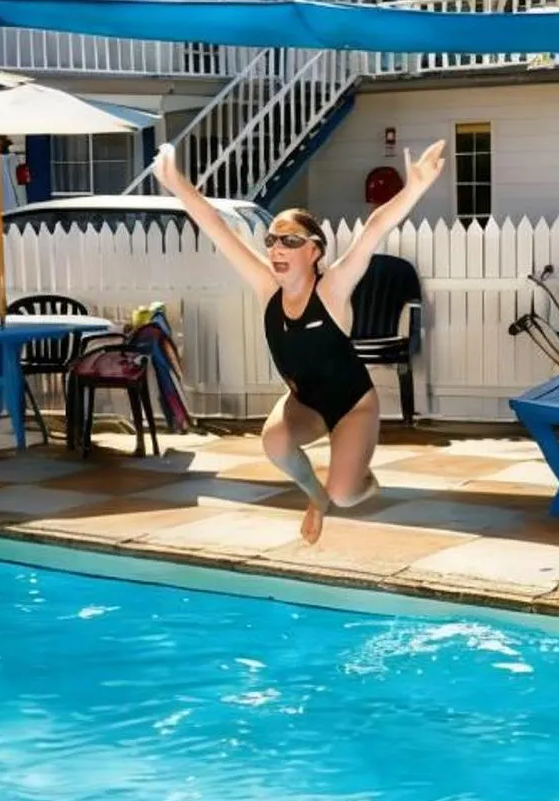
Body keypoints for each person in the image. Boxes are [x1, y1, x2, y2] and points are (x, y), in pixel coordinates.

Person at [151, 139, 446, 544]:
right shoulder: (266, 288)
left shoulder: (332, 290)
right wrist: (176, 183)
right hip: (304, 403)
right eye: (272, 240)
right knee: (274, 444)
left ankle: (359, 479)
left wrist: (414, 188)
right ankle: (315, 496)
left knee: (347, 494)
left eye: (290, 241)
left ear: (314, 252)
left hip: (352, 406)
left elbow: (374, 228)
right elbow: (216, 227)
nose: (277, 248)